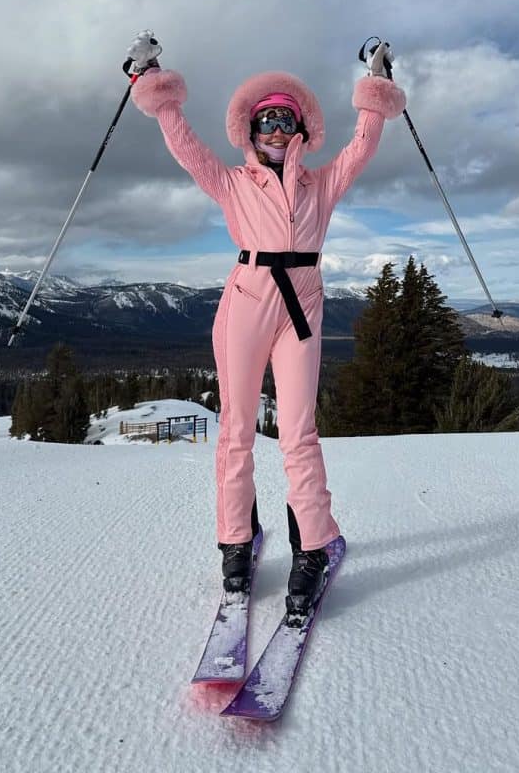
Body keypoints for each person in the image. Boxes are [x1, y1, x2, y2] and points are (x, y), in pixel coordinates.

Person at [127, 33, 405, 614]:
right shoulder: (231, 181)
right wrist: (151, 83)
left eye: (286, 118)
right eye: (266, 120)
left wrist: (375, 85)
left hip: (302, 308)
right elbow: (185, 146)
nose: (276, 129)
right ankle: (235, 543)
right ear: (251, 131)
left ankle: (313, 546)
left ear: (301, 128)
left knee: (299, 433)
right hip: (247, 302)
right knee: (235, 429)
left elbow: (363, 145)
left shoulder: (321, 183)